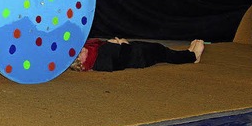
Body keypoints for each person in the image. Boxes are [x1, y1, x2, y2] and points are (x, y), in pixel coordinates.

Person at [69, 37, 205, 72]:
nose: (83, 49)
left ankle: (188, 53)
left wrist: (113, 42)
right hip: (140, 58)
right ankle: (192, 57)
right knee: (164, 54)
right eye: (80, 53)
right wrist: (123, 44)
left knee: (160, 48)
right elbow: (119, 63)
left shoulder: (91, 50)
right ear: (81, 62)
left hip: (136, 48)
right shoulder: (97, 63)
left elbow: (103, 45)